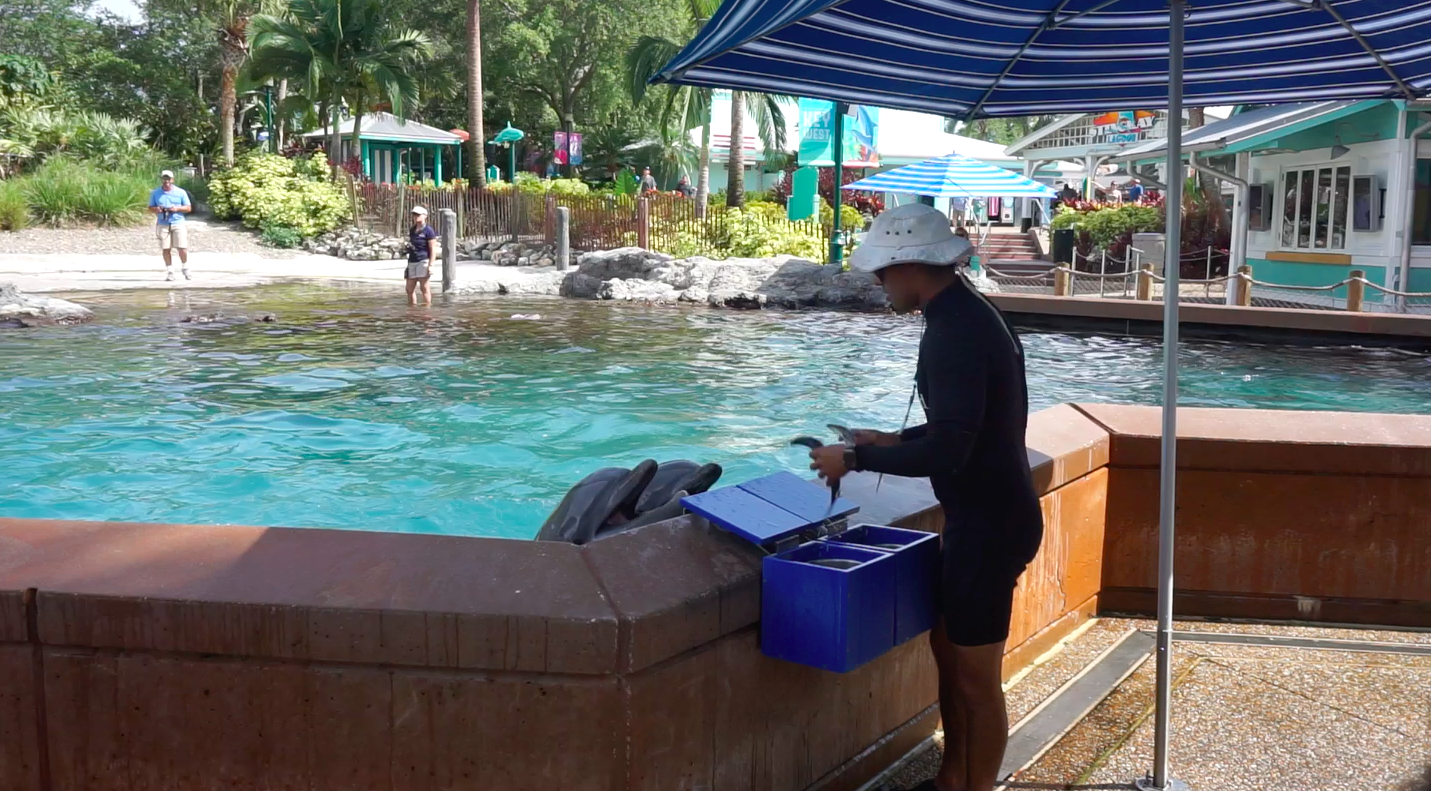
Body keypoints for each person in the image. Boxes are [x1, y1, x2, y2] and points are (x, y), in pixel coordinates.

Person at [806, 202, 1044, 791]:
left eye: (882, 273)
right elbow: (965, 427)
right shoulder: (967, 314)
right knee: (949, 650)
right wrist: (893, 438)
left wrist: (856, 459)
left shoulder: (953, 334)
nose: (879, 285)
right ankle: (952, 776)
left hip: (989, 524)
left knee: (976, 681)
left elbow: (950, 453)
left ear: (912, 266)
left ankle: (975, 784)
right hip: (984, 515)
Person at [149, 169, 192, 281]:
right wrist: (157, 209)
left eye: (168, 179)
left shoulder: (181, 192)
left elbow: (188, 208)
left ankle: (185, 267)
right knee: (165, 248)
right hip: (163, 223)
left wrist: (176, 208)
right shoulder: (156, 193)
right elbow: (150, 207)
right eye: (164, 178)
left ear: (172, 180)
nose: (166, 181)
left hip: (178, 222)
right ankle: (170, 271)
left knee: (182, 247)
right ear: (161, 179)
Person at [405, 206, 437, 307]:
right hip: (412, 261)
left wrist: (431, 265)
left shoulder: (429, 230)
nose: (415, 217)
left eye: (418, 215)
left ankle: (427, 309)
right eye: (414, 215)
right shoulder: (412, 229)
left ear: (425, 216)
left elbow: (433, 249)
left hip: (423, 260)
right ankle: (412, 309)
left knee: (424, 288)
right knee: (409, 288)